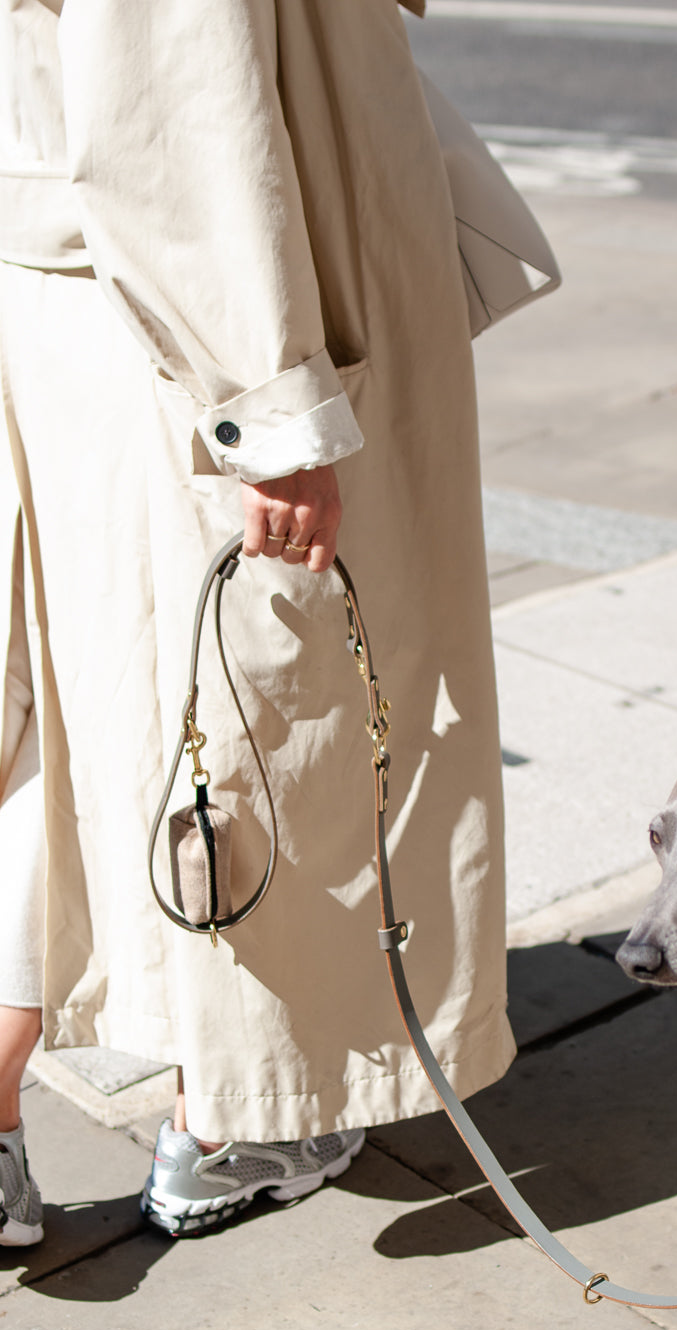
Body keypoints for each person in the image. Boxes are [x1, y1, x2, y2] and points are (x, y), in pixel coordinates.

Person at [0, 0, 516, 1242]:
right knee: (246, 724)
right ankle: (229, 1122)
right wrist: (268, 411)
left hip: (96, 300)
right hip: (195, 332)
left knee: (71, 720)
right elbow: (177, 105)